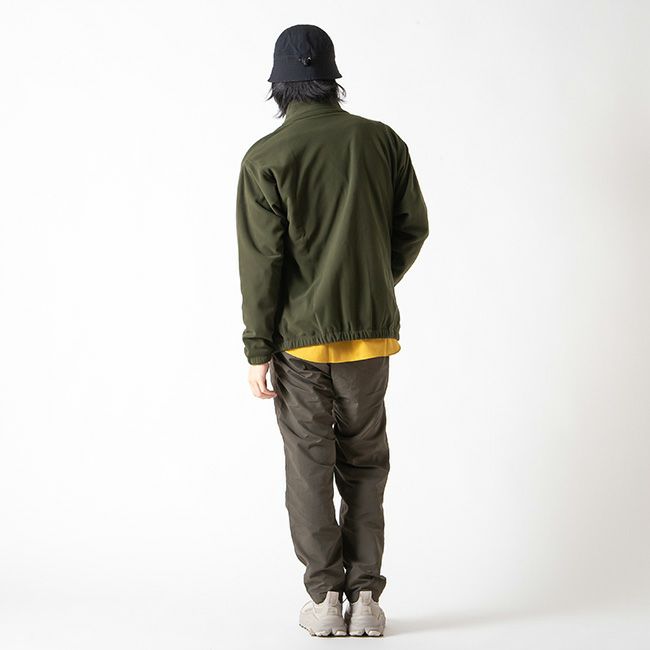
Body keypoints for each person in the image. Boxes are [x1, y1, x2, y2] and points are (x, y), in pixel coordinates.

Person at [235, 24, 429, 637]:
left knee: (308, 467)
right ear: (331, 79)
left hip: (297, 343)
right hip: (368, 340)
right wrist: (372, 284)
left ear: (279, 86)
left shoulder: (265, 158)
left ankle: (324, 600)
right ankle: (365, 596)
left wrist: (257, 349)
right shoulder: (381, 142)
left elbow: (261, 265)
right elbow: (413, 228)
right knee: (366, 463)